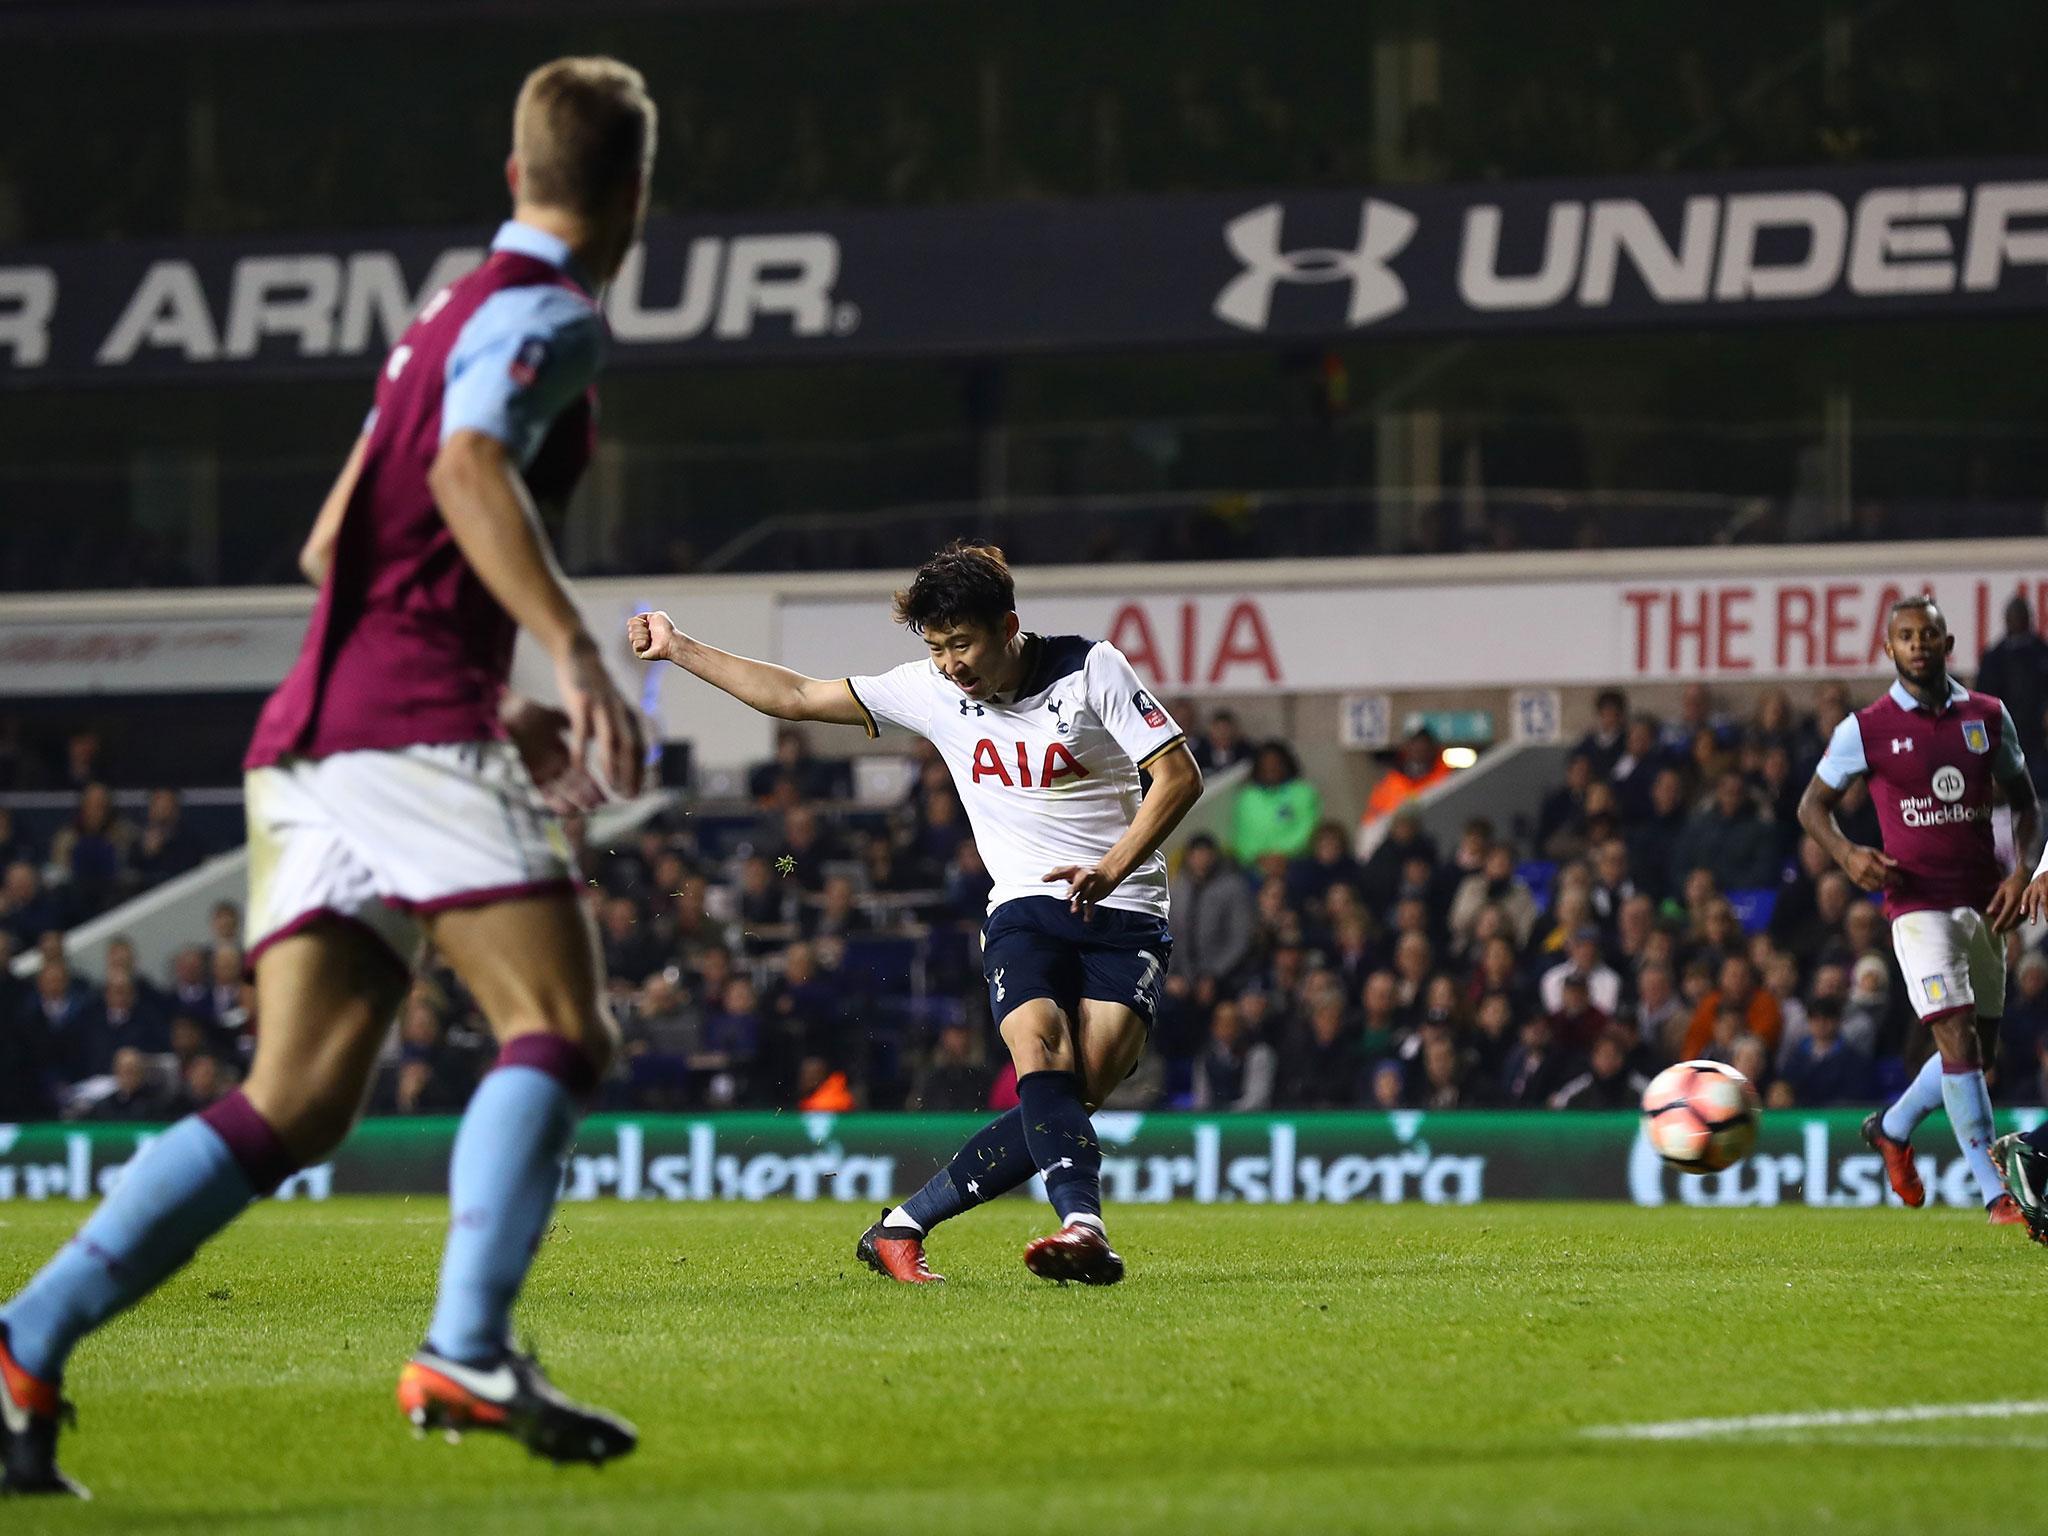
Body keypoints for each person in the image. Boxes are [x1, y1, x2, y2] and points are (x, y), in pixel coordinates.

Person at [0, 58, 658, 1497]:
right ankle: (468, 1346)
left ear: (514, 177)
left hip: (313, 725)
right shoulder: (551, 316)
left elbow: (330, 544)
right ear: (629, 196)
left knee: (294, 1100)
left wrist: (490, 680)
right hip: (402, 723)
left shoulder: (439, 315)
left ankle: (23, 1346)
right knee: (559, 1024)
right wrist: (568, 657)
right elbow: (472, 475)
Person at [630, 539, 1202, 1286]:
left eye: (961, 644)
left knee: (1077, 1092)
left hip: (1123, 901)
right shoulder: (931, 691)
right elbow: (797, 697)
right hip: (1025, 905)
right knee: (1041, 1051)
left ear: (1008, 626)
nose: (950, 665)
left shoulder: (1090, 669)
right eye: (936, 648)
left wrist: (1111, 866)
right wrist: (680, 648)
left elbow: (1178, 775)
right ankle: (1083, 1228)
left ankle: (900, 1227)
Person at [1798, 595, 2038, 1230]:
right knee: (1955, 1037)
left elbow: (2028, 806)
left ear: (1947, 641)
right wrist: (1848, 857)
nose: (1918, 645)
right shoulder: (1865, 727)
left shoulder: (1988, 715)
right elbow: (1811, 808)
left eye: (1928, 635)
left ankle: (1892, 1126)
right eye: (1906, 636)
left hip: (1987, 905)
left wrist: (2021, 873)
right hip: (1915, 906)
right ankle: (1996, 1194)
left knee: (1979, 1056)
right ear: (1890, 649)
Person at [1976, 595, 2048, 791]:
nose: (2016, 621)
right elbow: (1981, 699)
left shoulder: (2042, 653)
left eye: (2020, 616)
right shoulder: (1994, 658)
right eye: (2012, 617)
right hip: (2004, 735)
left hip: (2038, 739)